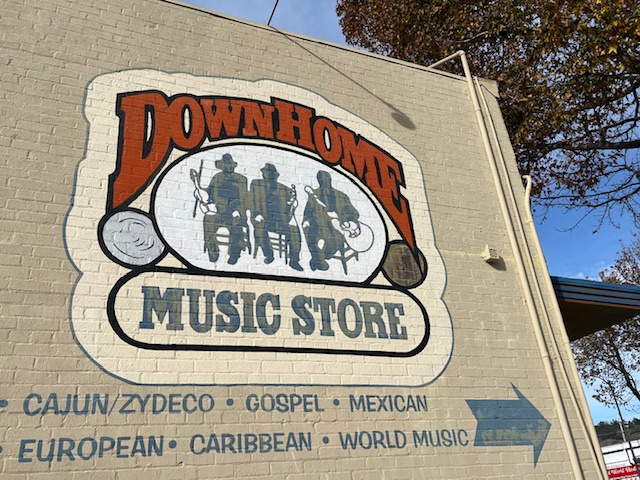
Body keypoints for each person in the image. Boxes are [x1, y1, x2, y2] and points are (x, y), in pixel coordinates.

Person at [302, 170, 360, 271]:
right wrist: (306, 220)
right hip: (318, 226)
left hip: (337, 228)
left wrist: (344, 220)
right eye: (321, 180)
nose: (324, 182)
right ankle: (319, 259)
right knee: (311, 235)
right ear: (318, 181)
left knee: (333, 239)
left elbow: (354, 213)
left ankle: (319, 259)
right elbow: (308, 211)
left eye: (326, 179)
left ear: (330, 180)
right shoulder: (314, 194)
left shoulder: (341, 196)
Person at [250, 163, 303, 271]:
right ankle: (269, 254)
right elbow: (251, 200)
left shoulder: (284, 189)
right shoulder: (256, 184)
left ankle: (294, 260)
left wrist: (293, 203)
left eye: (270, 173)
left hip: (281, 221)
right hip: (263, 218)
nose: (268, 175)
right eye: (265, 173)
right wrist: (256, 214)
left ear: (275, 175)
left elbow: (291, 204)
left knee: (294, 231)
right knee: (259, 228)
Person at [200, 153, 249, 265]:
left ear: (233, 166)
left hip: (234, 212)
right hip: (219, 212)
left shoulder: (241, 179)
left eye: (229, 164)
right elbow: (209, 193)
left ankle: (234, 254)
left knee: (236, 226)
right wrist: (203, 194)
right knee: (208, 220)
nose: (227, 166)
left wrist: (238, 212)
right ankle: (212, 250)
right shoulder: (217, 177)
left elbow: (243, 198)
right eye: (225, 164)